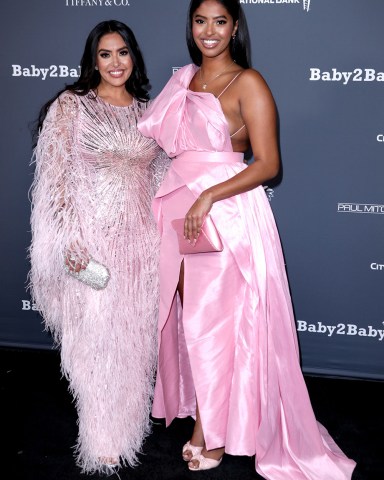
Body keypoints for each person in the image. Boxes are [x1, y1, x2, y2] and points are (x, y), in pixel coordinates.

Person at [137, 1, 356, 478]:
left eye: (220, 21)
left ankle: (210, 434)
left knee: (211, 323)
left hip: (223, 212)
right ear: (190, 26)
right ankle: (204, 408)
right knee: (183, 319)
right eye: (200, 21)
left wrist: (208, 195)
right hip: (176, 206)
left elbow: (267, 164)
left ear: (235, 27)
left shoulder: (249, 83)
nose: (209, 32)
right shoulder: (183, 80)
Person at [28, 20, 169, 474]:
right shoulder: (72, 108)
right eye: (105, 54)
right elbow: (55, 178)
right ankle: (100, 437)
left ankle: (127, 432)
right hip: (91, 242)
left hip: (141, 245)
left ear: (134, 58)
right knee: (94, 344)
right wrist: (67, 239)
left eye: (122, 52)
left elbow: (164, 179)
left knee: (134, 343)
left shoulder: (151, 113)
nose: (115, 63)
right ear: (93, 60)